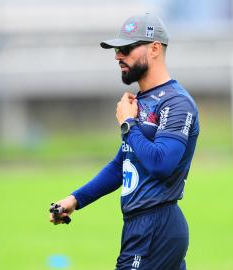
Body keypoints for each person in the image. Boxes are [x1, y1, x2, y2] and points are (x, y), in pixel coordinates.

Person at [49, 13, 199, 270]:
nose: (118, 56)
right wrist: (75, 199)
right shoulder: (141, 101)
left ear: (154, 49)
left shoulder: (176, 103)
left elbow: (163, 164)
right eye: (117, 49)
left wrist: (128, 125)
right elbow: (123, 163)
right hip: (141, 226)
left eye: (127, 49)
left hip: (156, 226)